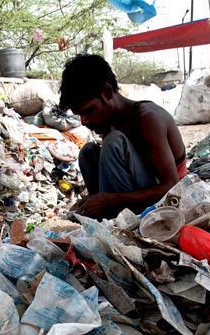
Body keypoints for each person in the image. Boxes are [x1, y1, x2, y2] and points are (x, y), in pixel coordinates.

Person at [59, 54, 187, 219]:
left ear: (106, 92)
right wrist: (92, 201)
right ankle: (102, 214)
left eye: (89, 111)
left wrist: (109, 199)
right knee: (88, 152)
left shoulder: (148, 118)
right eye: (80, 115)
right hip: (135, 197)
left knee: (113, 142)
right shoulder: (111, 122)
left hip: (168, 201)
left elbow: (171, 187)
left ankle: (113, 218)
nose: (84, 121)